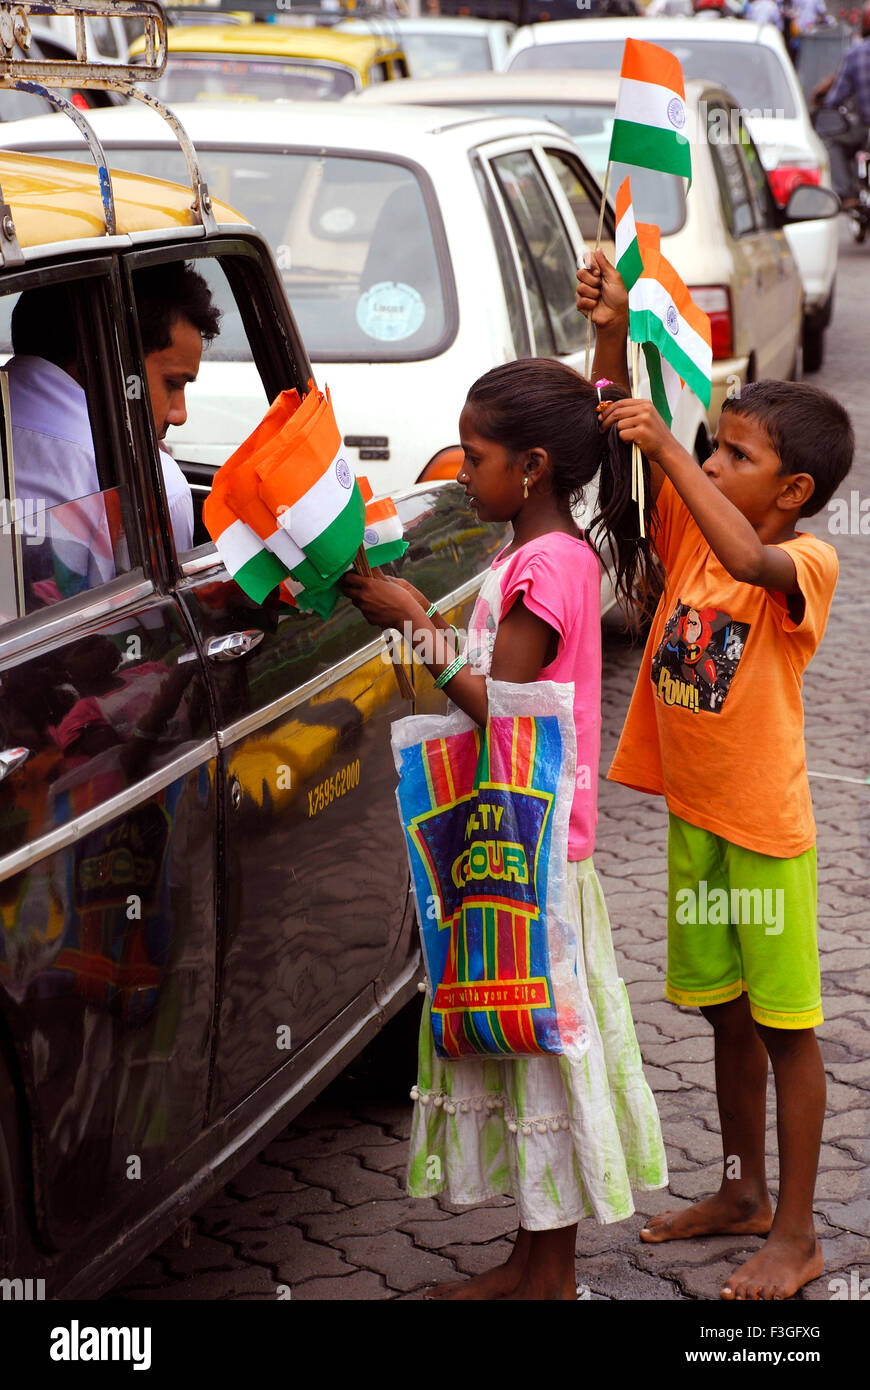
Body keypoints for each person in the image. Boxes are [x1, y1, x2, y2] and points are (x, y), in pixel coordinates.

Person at [341, 349, 668, 1300]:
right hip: (525, 840)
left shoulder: (545, 571)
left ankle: (551, 1278)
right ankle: (532, 1259)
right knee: (529, 1055)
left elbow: (510, 710)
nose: (458, 467)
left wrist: (414, 623)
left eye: (473, 455)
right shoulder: (547, 556)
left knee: (542, 1050)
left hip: (538, 857)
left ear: (530, 466)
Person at [580, 249, 853, 1301]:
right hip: (697, 820)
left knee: (787, 1029)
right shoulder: (696, 526)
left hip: (764, 834)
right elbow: (619, 423)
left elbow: (750, 561)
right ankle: (739, 1192)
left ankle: (797, 1234)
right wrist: (612, 334)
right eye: (714, 449)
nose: (712, 462)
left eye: (734, 454)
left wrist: (671, 445)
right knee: (724, 1013)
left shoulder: (804, 564)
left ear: (793, 490)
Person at [5, 261, 220, 599]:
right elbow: (160, 635)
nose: (180, 414)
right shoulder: (155, 485)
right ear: (112, 360)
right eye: (172, 383)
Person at [818, 4, 870, 207]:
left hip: (862, 129)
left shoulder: (856, 54)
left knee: (831, 141)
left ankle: (847, 194)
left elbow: (834, 98)